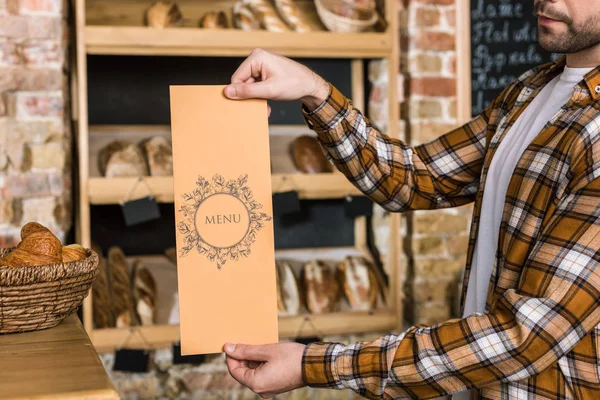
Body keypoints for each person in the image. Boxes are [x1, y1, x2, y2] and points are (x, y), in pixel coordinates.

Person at [221, 0, 600, 398]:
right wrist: (315, 92)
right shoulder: (532, 90)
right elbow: (417, 178)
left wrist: (312, 365)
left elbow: (526, 334)